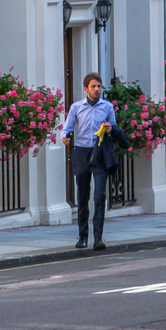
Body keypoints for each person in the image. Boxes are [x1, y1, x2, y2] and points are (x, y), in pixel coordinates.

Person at [62, 73, 118, 251]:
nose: (97, 89)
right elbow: (67, 128)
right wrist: (65, 137)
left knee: (99, 195)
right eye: (93, 86)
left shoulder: (107, 107)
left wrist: (110, 129)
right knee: (83, 196)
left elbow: (114, 129)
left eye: (99, 86)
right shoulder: (76, 107)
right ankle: (83, 236)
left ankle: (98, 238)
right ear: (86, 89)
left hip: (100, 151)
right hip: (82, 151)